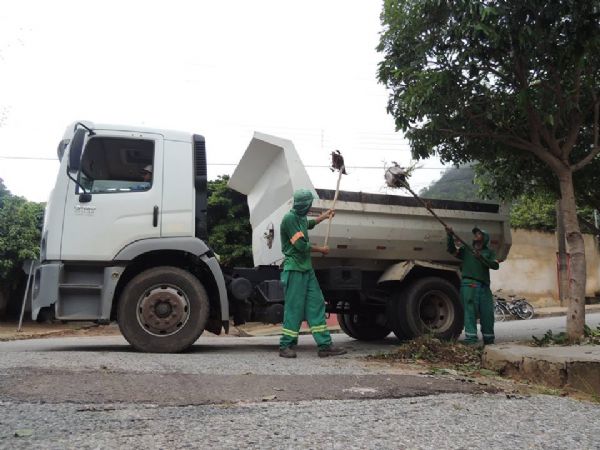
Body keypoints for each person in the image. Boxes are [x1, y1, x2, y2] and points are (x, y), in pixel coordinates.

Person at [279, 189, 347, 358]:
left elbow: (308, 224)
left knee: (316, 304)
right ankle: (285, 345)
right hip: (294, 269)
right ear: (303, 204)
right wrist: (321, 249)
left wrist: (324, 216)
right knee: (294, 308)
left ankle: (325, 345)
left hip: (306, 269)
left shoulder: (300, 217)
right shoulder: (289, 219)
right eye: (309, 203)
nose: (310, 206)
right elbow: (301, 246)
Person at [446, 226, 500, 345]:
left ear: (485, 238)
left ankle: (489, 339)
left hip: (484, 288)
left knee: (488, 314)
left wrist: (481, 258)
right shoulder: (466, 250)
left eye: (479, 234)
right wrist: (449, 235)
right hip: (469, 285)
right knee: (470, 312)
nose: (476, 236)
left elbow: (495, 266)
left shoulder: (489, 252)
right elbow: (451, 250)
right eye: (475, 234)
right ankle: (471, 339)